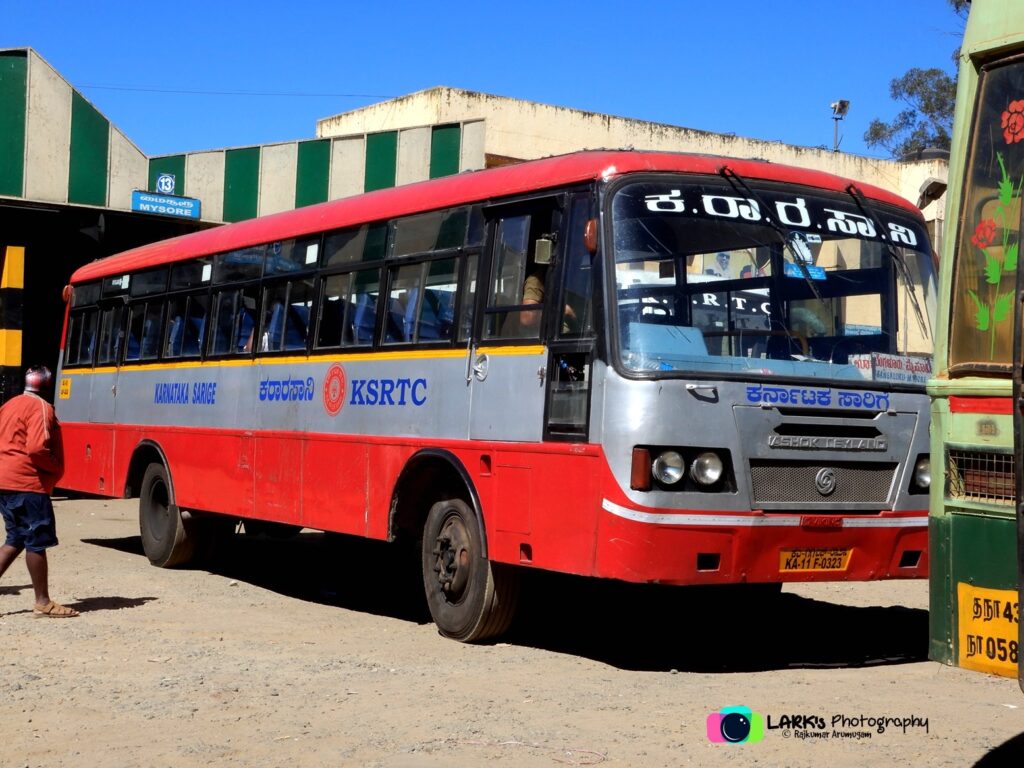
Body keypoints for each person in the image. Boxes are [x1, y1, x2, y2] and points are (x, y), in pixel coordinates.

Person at [0, 366, 77, 617]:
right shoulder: (41, 407)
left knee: (15, 539)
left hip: (6, 481)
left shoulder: (9, 404)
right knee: (36, 540)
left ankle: (43, 600)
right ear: (47, 386)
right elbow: (36, 448)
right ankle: (42, 601)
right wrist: (55, 467)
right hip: (28, 484)